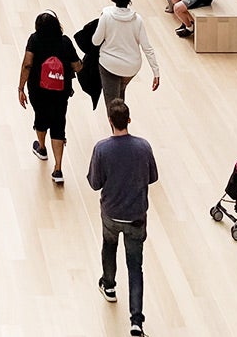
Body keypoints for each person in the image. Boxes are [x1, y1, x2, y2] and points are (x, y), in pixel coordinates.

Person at [87, 98, 157, 337]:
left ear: (109, 121)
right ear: (128, 119)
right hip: (136, 216)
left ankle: (109, 285)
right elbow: (152, 177)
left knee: (109, 246)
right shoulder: (143, 147)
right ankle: (136, 322)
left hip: (111, 214)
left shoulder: (101, 149)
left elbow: (95, 183)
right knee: (135, 266)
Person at [18, 11, 82, 185]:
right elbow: (77, 67)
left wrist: (20, 87)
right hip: (61, 92)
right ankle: (58, 169)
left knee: (40, 117)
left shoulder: (34, 40)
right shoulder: (65, 42)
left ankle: (42, 147)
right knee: (58, 124)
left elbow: (27, 64)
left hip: (38, 90)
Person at [91, 0, 161, 110]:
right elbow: (147, 48)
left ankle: (118, 126)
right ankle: (122, 116)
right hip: (131, 68)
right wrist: (156, 72)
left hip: (109, 65)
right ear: (129, 0)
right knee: (120, 96)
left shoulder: (106, 16)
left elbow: (96, 41)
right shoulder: (137, 19)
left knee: (113, 107)